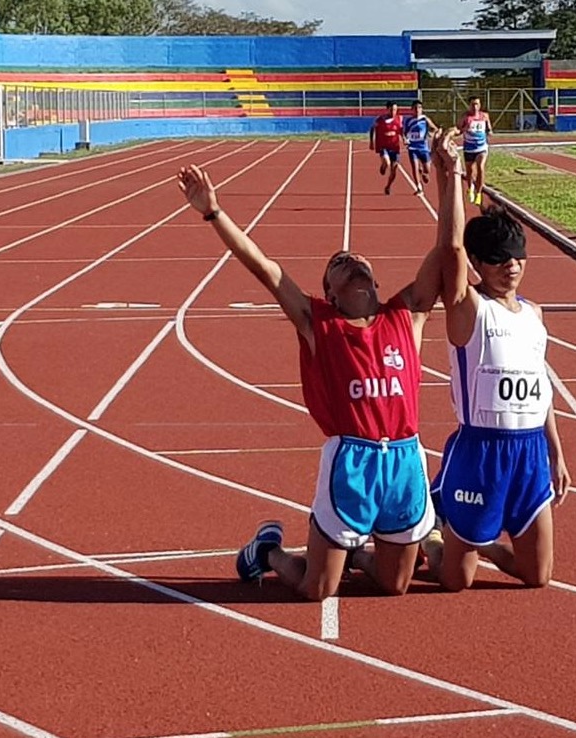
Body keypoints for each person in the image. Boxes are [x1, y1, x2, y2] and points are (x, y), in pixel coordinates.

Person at [176, 153, 457, 600]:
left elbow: (446, 252)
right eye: (340, 263)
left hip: (404, 458)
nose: (353, 261)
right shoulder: (318, 323)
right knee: (317, 589)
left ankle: (357, 555)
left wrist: (449, 176)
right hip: (352, 461)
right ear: (329, 293)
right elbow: (266, 269)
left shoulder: (407, 315)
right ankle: (268, 552)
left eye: (359, 259)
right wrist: (213, 212)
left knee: (395, 585)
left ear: (376, 282)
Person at [421, 129, 571, 592]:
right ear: (479, 263)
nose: (511, 266)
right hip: (481, 453)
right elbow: (450, 250)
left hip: (530, 453)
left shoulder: (534, 315)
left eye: (517, 257)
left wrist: (556, 453)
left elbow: (541, 391)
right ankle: (435, 538)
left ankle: (472, 539)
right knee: (454, 581)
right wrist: (451, 174)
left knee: (538, 576)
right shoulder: (469, 308)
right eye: (499, 259)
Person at [457, 96, 492, 207]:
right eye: (473, 104)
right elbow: (458, 130)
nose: (475, 107)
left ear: (480, 105)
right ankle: (470, 188)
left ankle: (479, 193)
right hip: (469, 148)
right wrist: (465, 128)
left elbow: (489, 129)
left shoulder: (484, 116)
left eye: (477, 104)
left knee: (480, 167)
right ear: (469, 105)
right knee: (470, 171)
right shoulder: (465, 117)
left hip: (482, 147)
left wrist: (489, 132)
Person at [402, 99, 439, 195]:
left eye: (419, 108)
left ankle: (423, 172)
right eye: (415, 108)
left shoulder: (425, 119)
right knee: (414, 167)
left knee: (427, 169)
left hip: (423, 148)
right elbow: (404, 133)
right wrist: (405, 139)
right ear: (412, 109)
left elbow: (435, 129)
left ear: (422, 109)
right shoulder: (409, 121)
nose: (417, 110)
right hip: (412, 147)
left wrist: (431, 133)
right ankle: (419, 187)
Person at [369, 101, 402, 195]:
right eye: (392, 110)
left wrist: (405, 139)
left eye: (395, 110)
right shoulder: (380, 119)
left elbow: (401, 131)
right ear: (387, 109)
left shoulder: (399, 119)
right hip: (384, 147)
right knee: (387, 162)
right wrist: (371, 142)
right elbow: (372, 128)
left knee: (394, 169)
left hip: (395, 147)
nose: (393, 112)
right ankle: (383, 166)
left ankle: (388, 186)